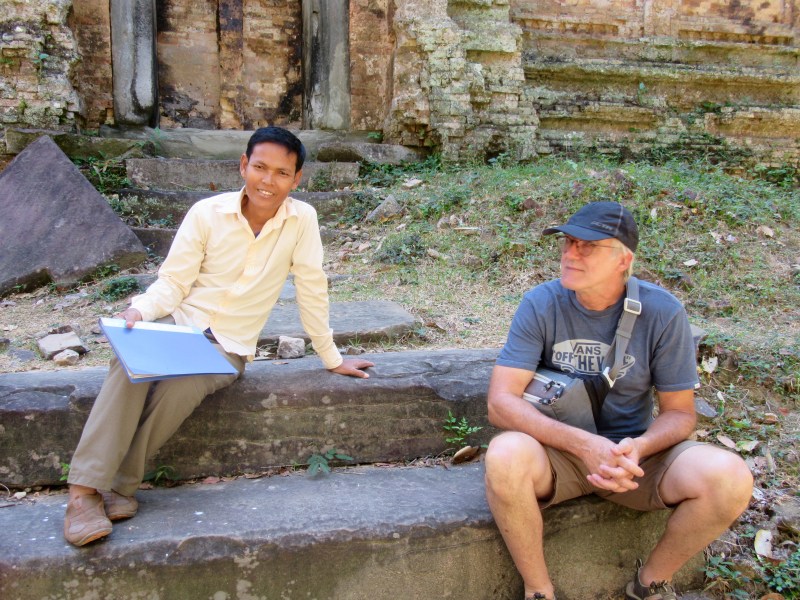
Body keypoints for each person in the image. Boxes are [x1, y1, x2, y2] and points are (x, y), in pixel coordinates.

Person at [64, 126, 374, 547]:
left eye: (282, 173)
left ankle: (120, 484)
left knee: (183, 385)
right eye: (260, 167)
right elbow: (174, 282)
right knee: (131, 361)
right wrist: (140, 310)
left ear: (296, 179)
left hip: (228, 345)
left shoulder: (302, 220)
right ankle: (83, 493)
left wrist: (331, 357)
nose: (268, 181)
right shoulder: (206, 213)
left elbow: (312, 288)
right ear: (243, 165)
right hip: (178, 322)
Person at [484, 201, 752, 600]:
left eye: (588, 246)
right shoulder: (540, 303)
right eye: (568, 243)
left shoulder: (663, 313)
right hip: (557, 454)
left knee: (730, 477)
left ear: (624, 260)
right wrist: (584, 446)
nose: (571, 254)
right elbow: (500, 402)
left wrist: (638, 448)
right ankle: (539, 590)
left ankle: (650, 584)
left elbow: (680, 414)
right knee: (504, 455)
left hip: (632, 460)